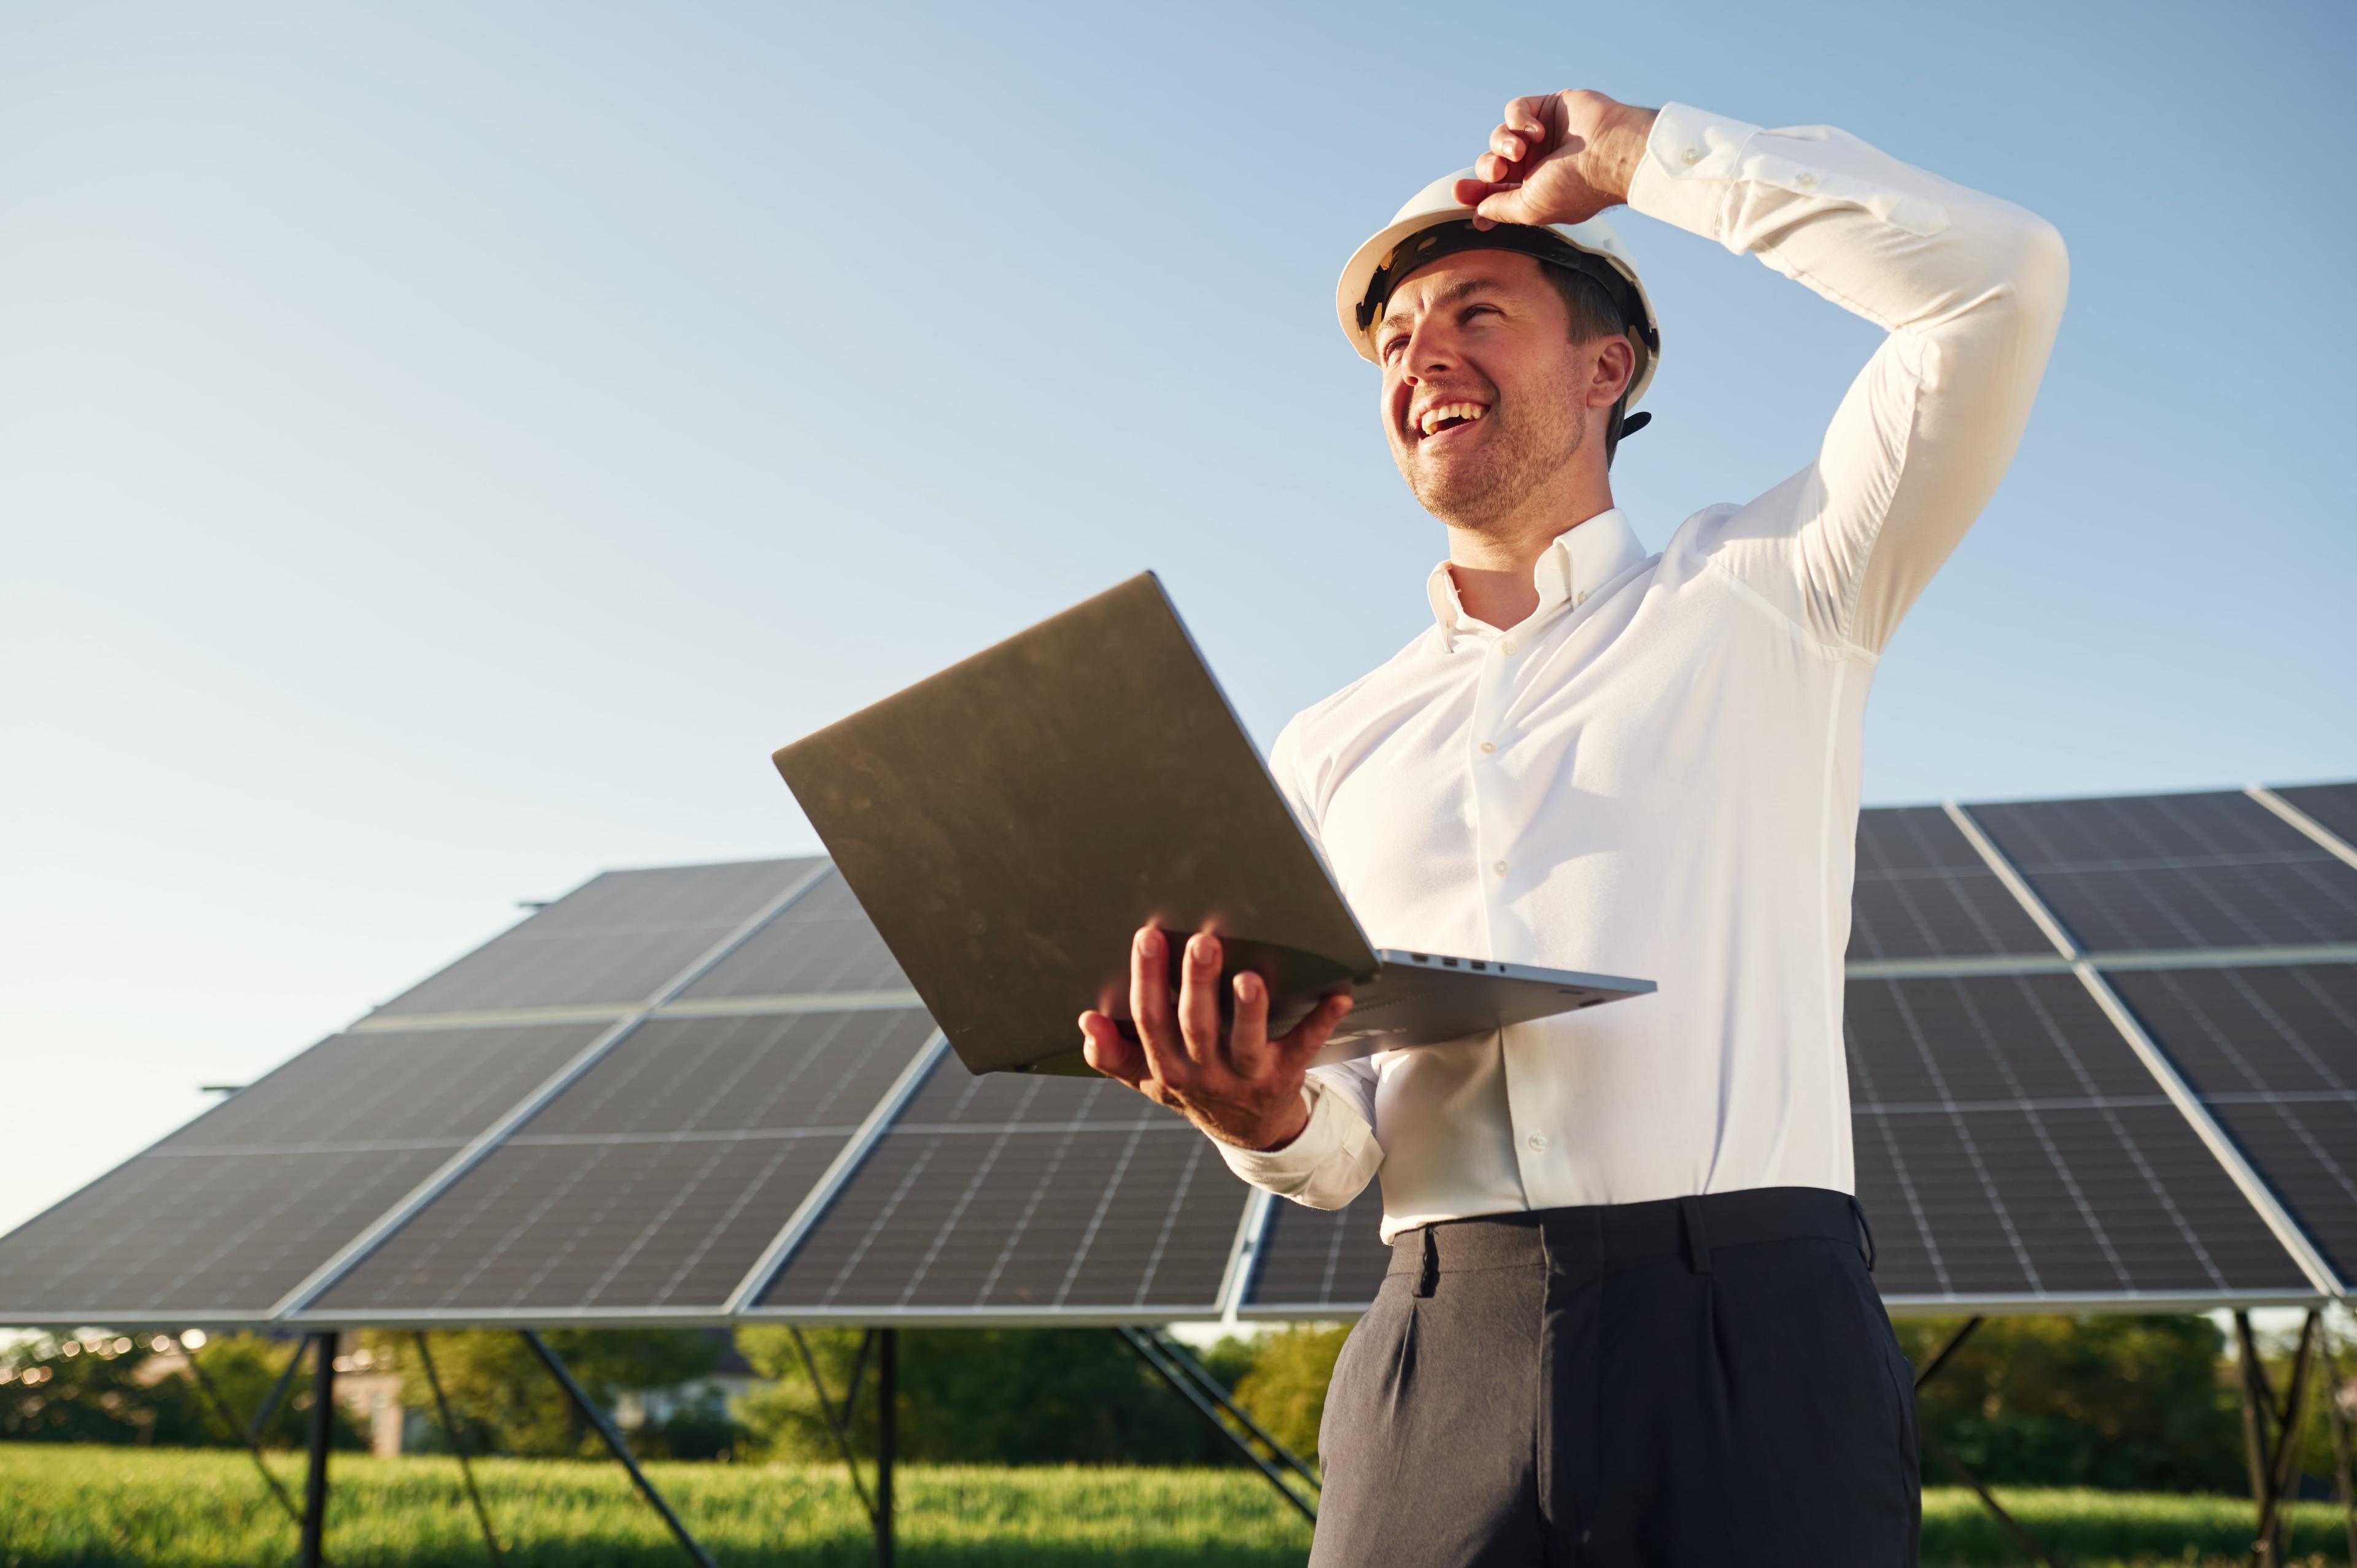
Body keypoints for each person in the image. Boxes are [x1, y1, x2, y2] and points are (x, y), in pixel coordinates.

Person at [1080, 88, 2065, 1565]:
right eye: (1399, 342)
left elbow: (2000, 278)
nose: (1425, 360)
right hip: (1437, 1342)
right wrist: (1262, 1121)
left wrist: (1642, 163)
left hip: (1754, 1343)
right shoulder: (1332, 745)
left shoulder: (1780, 588)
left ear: (1608, 368)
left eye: (1477, 313)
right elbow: (1348, 1143)